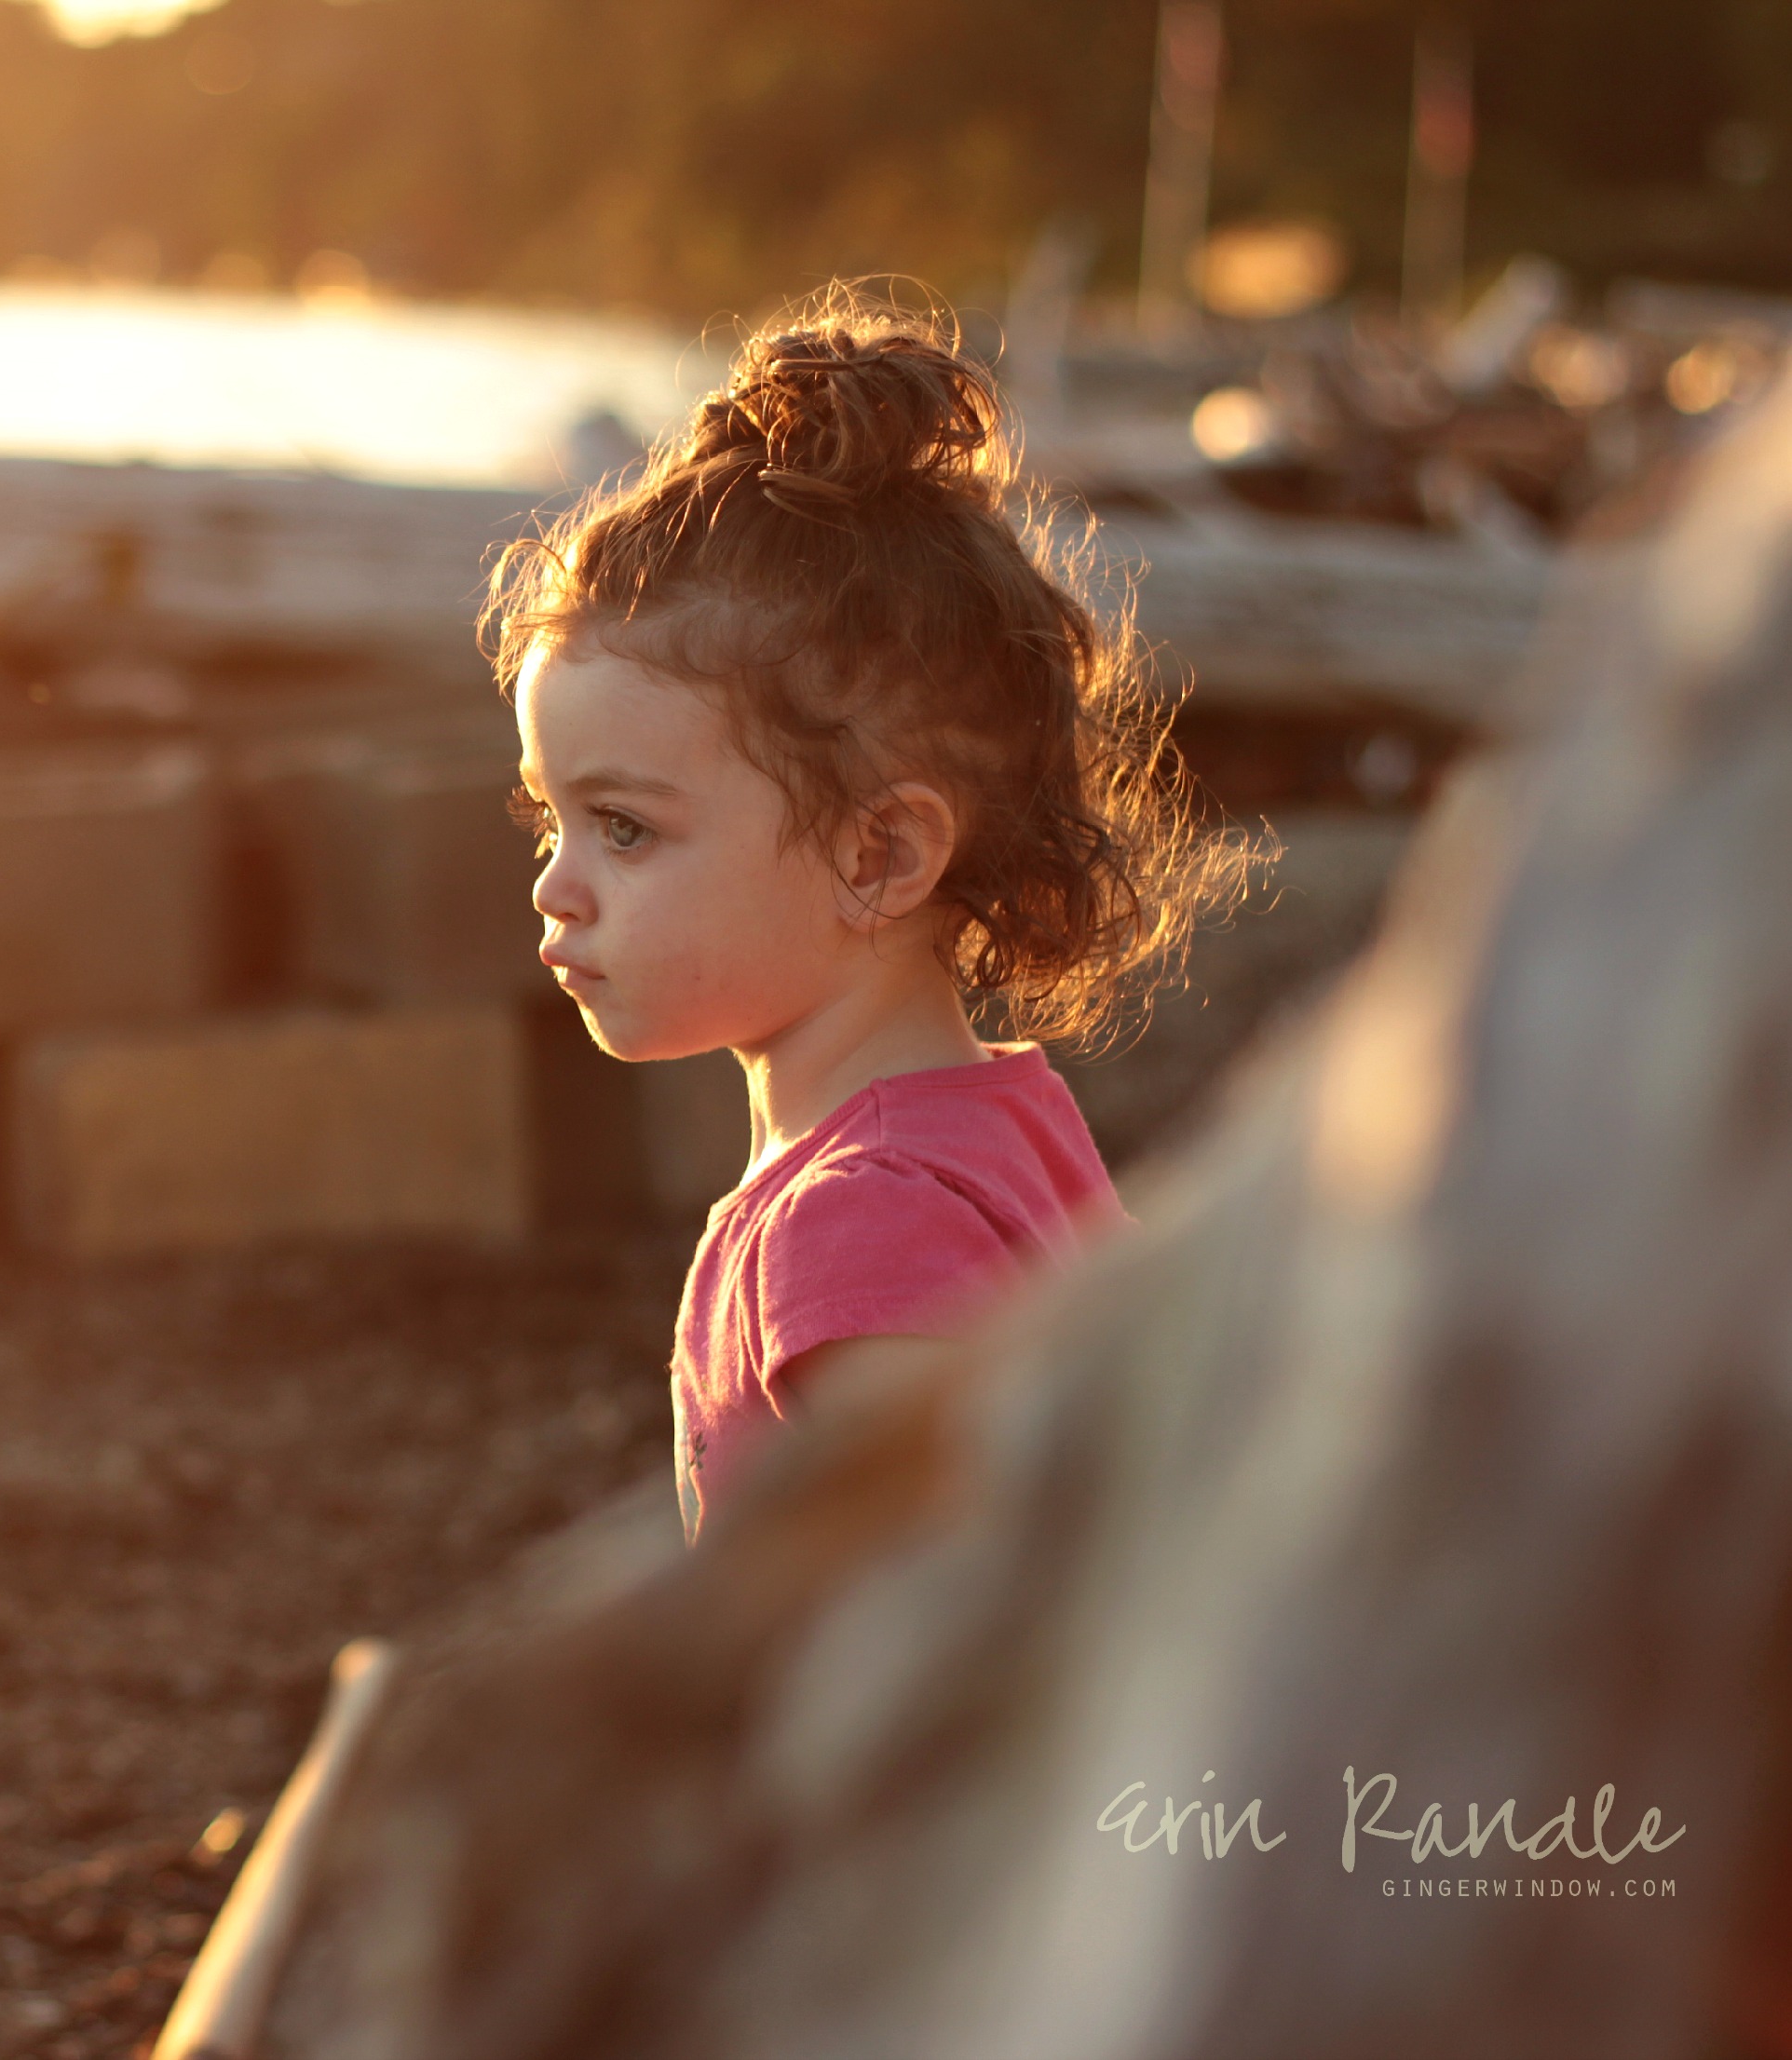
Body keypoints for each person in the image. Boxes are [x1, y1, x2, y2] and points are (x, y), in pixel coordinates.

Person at [497, 292, 1242, 1542]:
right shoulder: (1001, 1122)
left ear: (878, 855)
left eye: (622, 828)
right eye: (548, 817)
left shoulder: (858, 1222)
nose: (553, 883)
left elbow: (937, 1608)